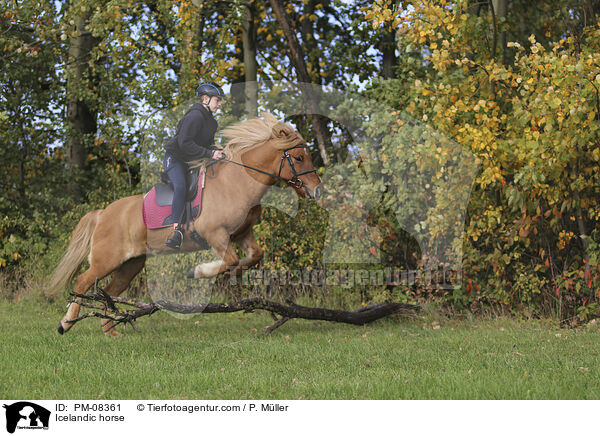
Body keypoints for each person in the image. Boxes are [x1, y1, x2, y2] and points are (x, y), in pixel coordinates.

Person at [163, 82, 226, 249]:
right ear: (205, 99)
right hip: (175, 159)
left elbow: (208, 145)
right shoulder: (195, 116)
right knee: (182, 186)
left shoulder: (212, 123)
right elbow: (184, 143)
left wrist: (219, 151)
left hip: (192, 160)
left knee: (208, 184)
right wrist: (210, 153)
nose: (219, 104)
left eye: (220, 101)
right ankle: (176, 231)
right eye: (217, 100)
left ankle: (197, 227)